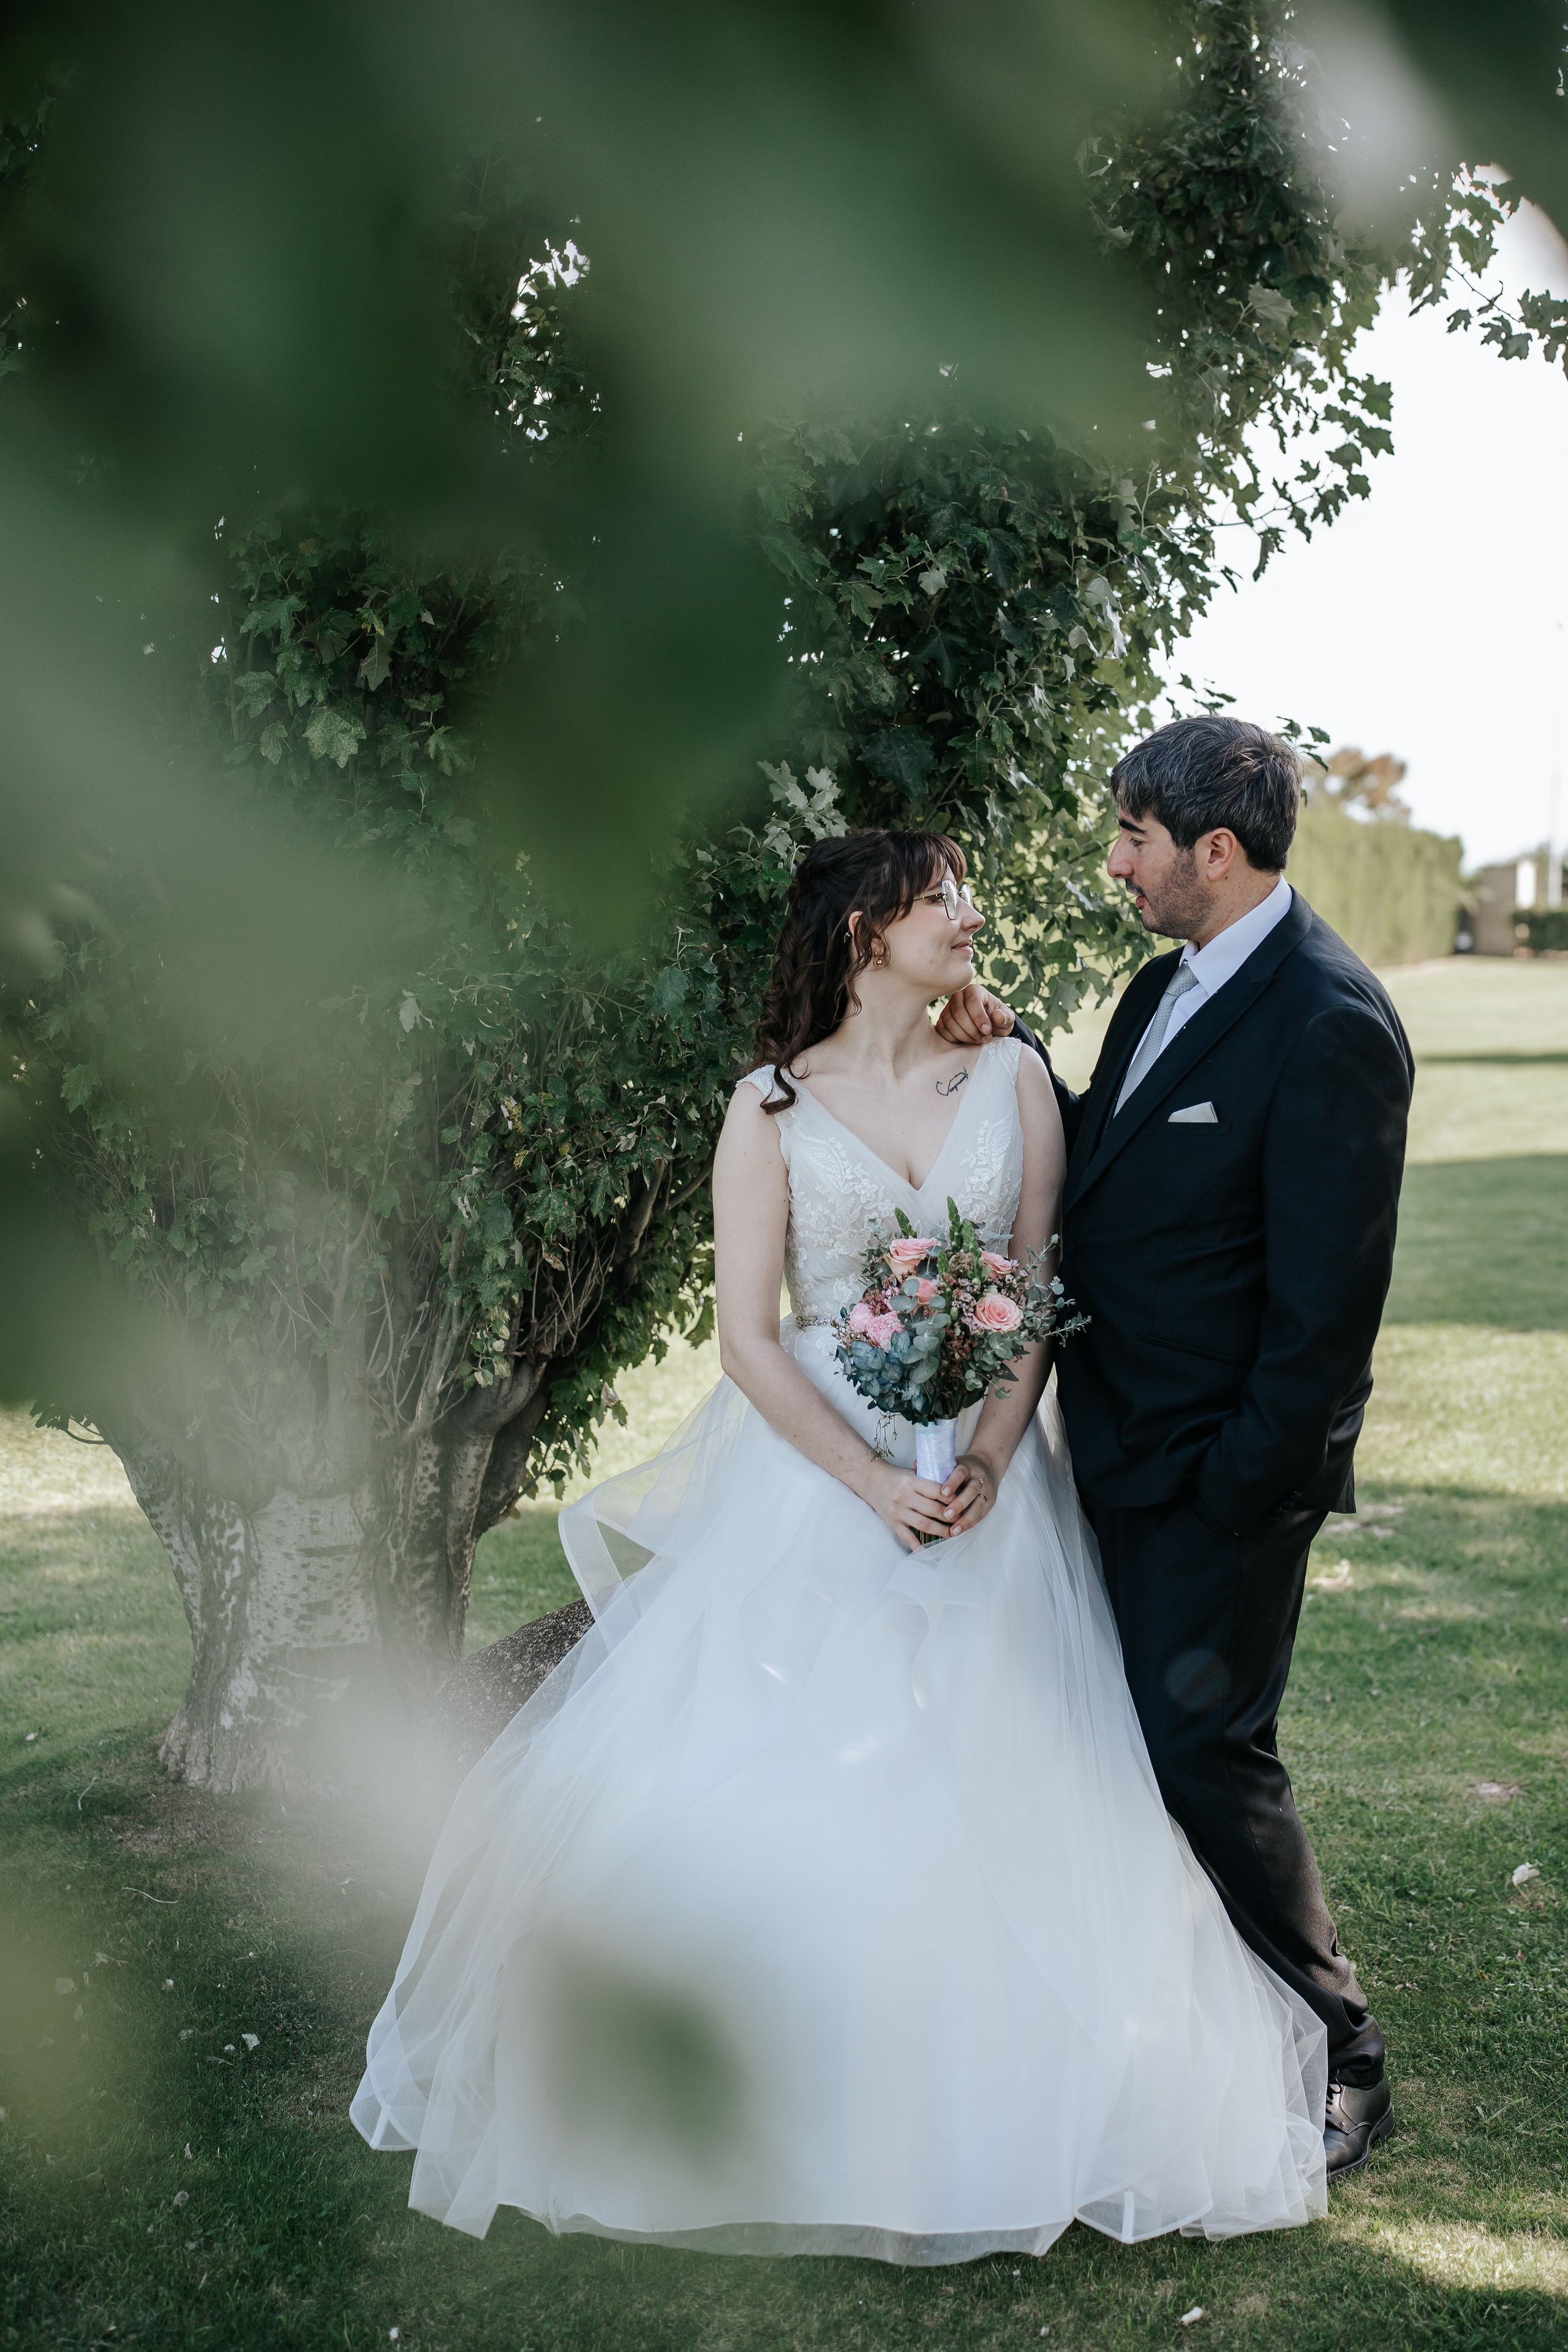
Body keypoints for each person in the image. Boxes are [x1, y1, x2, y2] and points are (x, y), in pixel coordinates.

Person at [352, 826, 1327, 2260]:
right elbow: (749, 1338)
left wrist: (985, 1455)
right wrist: (872, 1482)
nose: (968, 917)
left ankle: (1009, 2104)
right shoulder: (767, 1108)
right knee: (778, 1775)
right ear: (866, 931)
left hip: (992, 1495)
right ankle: (758, 2098)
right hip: (815, 1486)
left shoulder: (1011, 1074)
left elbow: (1034, 1286)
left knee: (1011, 1775)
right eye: (941, 900)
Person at [937, 715, 1412, 2180]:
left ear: (1215, 848)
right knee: (1127, 1742)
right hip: (1113, 1448)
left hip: (1219, 1476)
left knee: (1204, 1751)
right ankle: (1194, 2033)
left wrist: (1235, 1485)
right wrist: (1005, 1055)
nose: (1113, 863)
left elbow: (1325, 1313)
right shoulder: (1161, 985)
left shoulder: (1329, 1019)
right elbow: (1117, 1159)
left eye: (1132, 838)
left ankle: (1341, 2051)